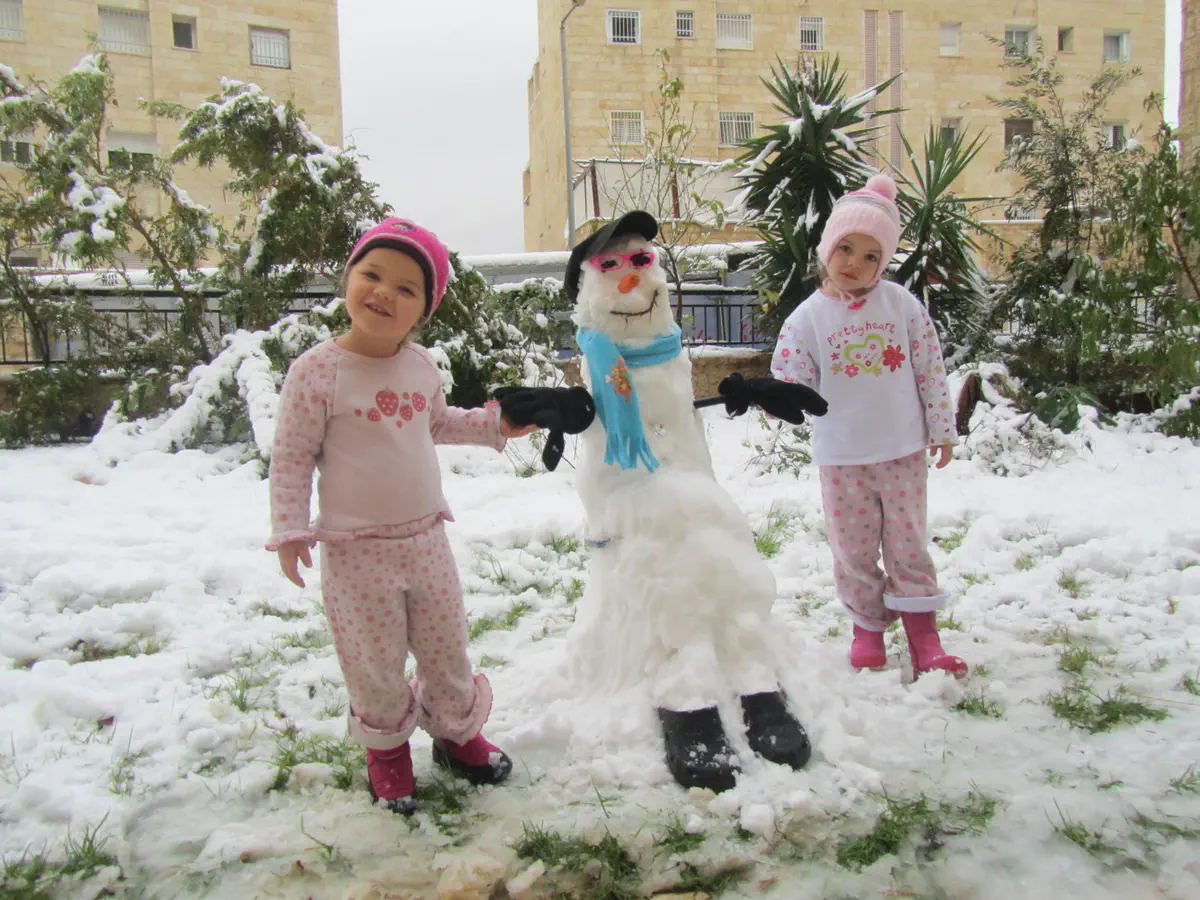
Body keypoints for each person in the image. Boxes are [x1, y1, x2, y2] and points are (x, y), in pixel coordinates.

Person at [266, 218, 537, 813]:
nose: (384, 292)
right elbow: (290, 456)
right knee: (374, 659)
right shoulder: (317, 372)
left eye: (407, 287)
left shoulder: (420, 367)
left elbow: (436, 423)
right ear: (348, 280)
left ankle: (457, 735)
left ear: (425, 308)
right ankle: (387, 751)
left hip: (425, 536)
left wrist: (496, 424)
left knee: (447, 649)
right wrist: (290, 528)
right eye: (371, 274)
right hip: (355, 549)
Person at [770, 174, 967, 679]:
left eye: (871, 256)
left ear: (885, 262)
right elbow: (791, 378)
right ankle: (868, 630)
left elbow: (928, 366)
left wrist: (942, 427)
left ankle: (925, 637)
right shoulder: (807, 318)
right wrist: (772, 397)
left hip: (901, 449)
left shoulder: (901, 305)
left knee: (907, 543)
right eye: (846, 248)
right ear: (826, 248)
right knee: (853, 549)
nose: (855, 263)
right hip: (842, 456)